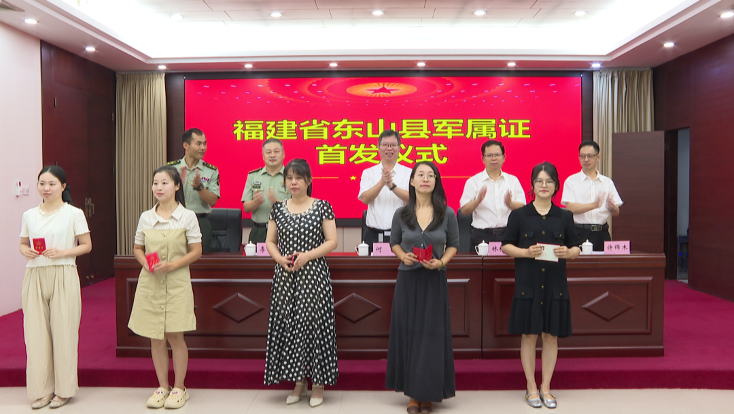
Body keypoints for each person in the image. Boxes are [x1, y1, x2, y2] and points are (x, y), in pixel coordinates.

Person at [501, 162, 581, 409]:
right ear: (532, 185)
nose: (544, 185)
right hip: (528, 284)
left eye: (549, 181)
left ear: (556, 186)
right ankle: (531, 387)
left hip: (555, 284)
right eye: (539, 181)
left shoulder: (565, 216)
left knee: (550, 336)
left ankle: (546, 387)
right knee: (529, 335)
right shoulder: (519, 215)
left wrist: (569, 252)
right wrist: (526, 252)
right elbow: (506, 246)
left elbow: (576, 248)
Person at [264, 158, 338, 408]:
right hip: (286, 276)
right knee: (291, 326)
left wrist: (307, 256)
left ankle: (318, 384)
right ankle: (298, 382)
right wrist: (279, 259)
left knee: (314, 327)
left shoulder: (322, 206)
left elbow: (332, 241)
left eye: (298, 178)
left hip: (313, 275)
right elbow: (270, 241)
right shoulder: (278, 208)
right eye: (289, 178)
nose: (293, 182)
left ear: (309, 181)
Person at [386, 161, 459, 414]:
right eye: (421, 175)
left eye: (431, 175)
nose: (425, 179)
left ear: (436, 181)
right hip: (408, 280)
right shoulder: (401, 214)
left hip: (434, 280)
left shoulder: (447, 213)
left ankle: (428, 394)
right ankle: (413, 395)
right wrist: (402, 256)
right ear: (412, 181)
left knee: (431, 337)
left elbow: (454, 244)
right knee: (409, 334)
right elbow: (394, 243)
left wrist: (441, 262)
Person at [128, 165, 202, 409]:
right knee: (156, 337)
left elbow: (196, 251)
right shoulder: (146, 217)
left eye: (164, 183)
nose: (158, 187)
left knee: (175, 336)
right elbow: (138, 248)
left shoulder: (187, 216)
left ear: (177, 186)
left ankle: (179, 388)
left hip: (177, 282)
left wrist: (172, 266)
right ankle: (162, 386)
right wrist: (145, 263)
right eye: (155, 183)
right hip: (150, 283)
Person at [19, 165, 92, 409]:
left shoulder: (74, 213)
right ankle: (41, 390)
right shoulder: (29, 215)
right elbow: (22, 243)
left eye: (52, 184)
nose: (46, 188)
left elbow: (86, 245)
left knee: (64, 333)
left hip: (63, 274)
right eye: (42, 183)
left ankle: (64, 390)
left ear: (63, 186)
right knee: (35, 335)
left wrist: (62, 252)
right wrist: (26, 251)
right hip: (35, 275)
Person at [459, 140, 526, 251]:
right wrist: (477, 200)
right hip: (482, 236)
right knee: (481, 263)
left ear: (504, 157)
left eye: (497, 155)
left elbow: (523, 209)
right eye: (489, 155)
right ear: (483, 159)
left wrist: (511, 204)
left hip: (508, 234)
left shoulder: (512, 181)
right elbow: (464, 211)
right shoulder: (473, 182)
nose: (494, 158)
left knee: (509, 263)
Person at [561, 140, 623, 251]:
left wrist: (613, 208)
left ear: (598, 157)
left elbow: (616, 212)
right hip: (579, 232)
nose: (586, 159)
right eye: (582, 156)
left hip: (602, 233)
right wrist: (594, 205)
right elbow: (570, 208)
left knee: (604, 262)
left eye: (589, 156)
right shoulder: (571, 181)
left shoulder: (607, 182)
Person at [167, 128, 220, 253]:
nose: (203, 148)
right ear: (186, 145)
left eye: (205, 144)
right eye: (198, 144)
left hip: (200, 222)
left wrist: (200, 187)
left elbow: (213, 201)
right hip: (175, 221)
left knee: (202, 261)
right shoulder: (171, 169)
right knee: (174, 257)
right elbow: (162, 197)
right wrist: (178, 185)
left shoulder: (211, 171)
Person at [358, 129, 411, 253]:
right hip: (373, 235)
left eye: (393, 145)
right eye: (385, 145)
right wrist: (382, 182)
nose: (389, 148)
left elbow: (413, 198)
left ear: (399, 147)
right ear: (378, 147)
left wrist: (392, 187)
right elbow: (365, 199)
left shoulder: (409, 173)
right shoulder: (368, 173)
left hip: (401, 236)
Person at [242, 138, 290, 243]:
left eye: (276, 151)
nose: (272, 155)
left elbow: (299, 207)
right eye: (268, 152)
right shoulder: (253, 176)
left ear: (283, 154)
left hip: (285, 230)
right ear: (263, 156)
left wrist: (278, 203)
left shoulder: (292, 176)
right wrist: (256, 202)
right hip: (259, 231)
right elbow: (246, 208)